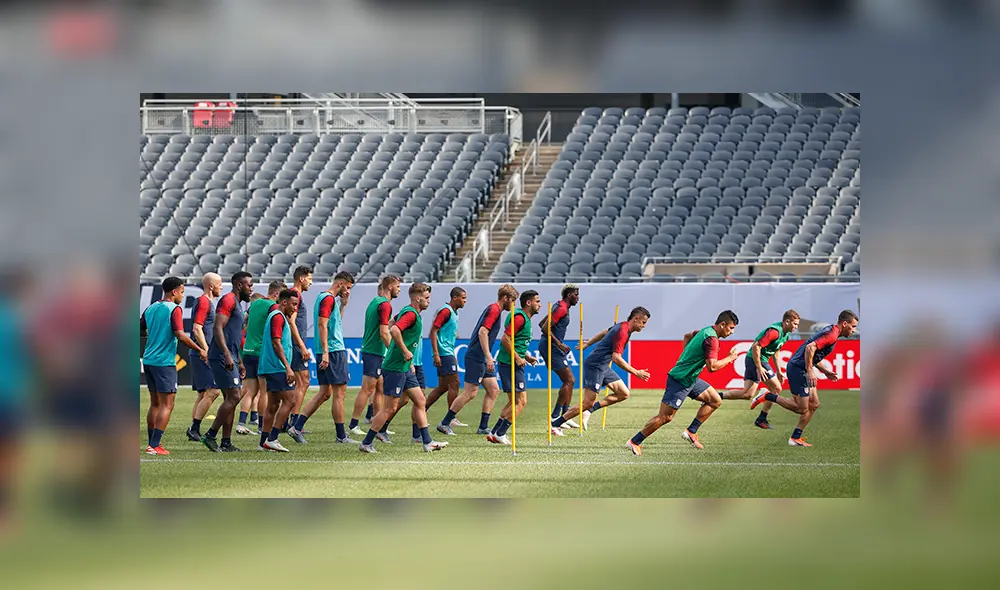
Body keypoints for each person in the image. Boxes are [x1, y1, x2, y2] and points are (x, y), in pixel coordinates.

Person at [626, 310, 741, 455]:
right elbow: (712, 367)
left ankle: (691, 431)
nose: (732, 332)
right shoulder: (712, 340)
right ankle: (634, 442)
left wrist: (687, 356)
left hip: (690, 378)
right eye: (731, 328)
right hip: (680, 380)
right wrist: (730, 358)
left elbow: (687, 336)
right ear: (722, 324)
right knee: (665, 417)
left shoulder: (705, 331)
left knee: (715, 400)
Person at [359, 283, 447, 453]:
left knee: (420, 400)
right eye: (427, 298)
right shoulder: (411, 314)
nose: (429, 301)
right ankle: (367, 442)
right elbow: (394, 329)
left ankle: (427, 442)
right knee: (389, 408)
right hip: (395, 367)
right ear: (418, 298)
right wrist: (405, 351)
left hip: (405, 367)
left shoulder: (409, 312)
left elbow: (392, 322)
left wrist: (409, 361)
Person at [751, 309, 859, 446]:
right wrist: (810, 370)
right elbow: (810, 348)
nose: (854, 330)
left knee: (814, 404)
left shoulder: (832, 331)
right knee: (801, 408)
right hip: (798, 369)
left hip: (802, 368)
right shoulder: (832, 334)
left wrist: (825, 371)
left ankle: (795, 438)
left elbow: (814, 355)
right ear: (844, 324)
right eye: (853, 326)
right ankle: (767, 395)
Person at [550, 306, 651, 433]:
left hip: (603, 366)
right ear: (636, 319)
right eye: (643, 322)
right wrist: (636, 372)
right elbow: (616, 358)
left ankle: (589, 411)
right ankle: (555, 424)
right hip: (595, 365)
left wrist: (588, 343)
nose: (644, 326)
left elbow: (605, 332)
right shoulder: (622, 332)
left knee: (623, 393)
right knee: (587, 402)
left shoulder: (622, 325)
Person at [437, 284, 518, 436]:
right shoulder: (494, 309)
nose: (513, 305)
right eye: (513, 301)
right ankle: (445, 423)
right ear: (505, 298)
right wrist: (488, 356)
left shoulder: (495, 310)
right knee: (470, 393)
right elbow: (482, 332)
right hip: (477, 356)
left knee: (493, 390)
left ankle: (483, 427)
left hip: (481, 357)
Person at [141, 277, 207, 455]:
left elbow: (140, 328)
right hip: (164, 362)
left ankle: (152, 443)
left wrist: (155, 336)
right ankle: (154, 445)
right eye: (182, 292)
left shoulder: (151, 307)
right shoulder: (174, 309)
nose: (183, 296)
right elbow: (180, 334)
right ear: (174, 291)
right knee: (167, 404)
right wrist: (200, 349)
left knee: (155, 404)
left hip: (148, 360)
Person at [290, 272, 356, 444]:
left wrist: (344, 305)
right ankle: (341, 436)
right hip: (333, 350)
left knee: (325, 393)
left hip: (327, 350)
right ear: (340, 284)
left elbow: (334, 323)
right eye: (348, 288)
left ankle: (296, 427)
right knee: (339, 393)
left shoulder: (325, 298)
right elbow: (322, 324)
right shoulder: (328, 299)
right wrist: (326, 352)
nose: (348, 291)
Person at [719, 309, 800, 429]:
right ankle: (762, 416)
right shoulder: (774, 332)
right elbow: (756, 347)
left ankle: (715, 396)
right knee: (776, 388)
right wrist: (759, 367)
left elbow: (776, 350)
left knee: (747, 394)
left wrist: (778, 371)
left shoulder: (786, 334)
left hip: (756, 360)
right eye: (795, 324)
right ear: (787, 322)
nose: (796, 327)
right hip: (756, 360)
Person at [201, 271, 254, 452]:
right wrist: (226, 354)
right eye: (249, 285)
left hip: (230, 355)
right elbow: (217, 328)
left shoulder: (237, 303)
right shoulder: (228, 300)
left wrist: (239, 360)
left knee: (230, 398)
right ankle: (210, 435)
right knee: (235, 396)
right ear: (239, 285)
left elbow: (233, 336)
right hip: (221, 356)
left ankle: (226, 442)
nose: (251, 288)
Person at [487, 290, 542, 445]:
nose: (540, 305)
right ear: (528, 303)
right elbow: (505, 339)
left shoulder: (523, 318)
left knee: (513, 402)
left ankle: (494, 433)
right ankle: (501, 433)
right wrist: (518, 358)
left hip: (509, 362)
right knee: (521, 401)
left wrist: (526, 356)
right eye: (537, 301)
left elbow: (515, 342)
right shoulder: (519, 318)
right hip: (510, 364)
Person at [348, 275, 401, 436]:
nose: (399, 290)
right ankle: (353, 425)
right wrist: (394, 352)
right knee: (367, 388)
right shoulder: (384, 305)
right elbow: (384, 333)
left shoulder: (375, 302)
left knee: (380, 388)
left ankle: (379, 425)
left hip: (374, 350)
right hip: (374, 351)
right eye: (398, 287)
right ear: (390, 287)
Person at [236, 281, 284, 435]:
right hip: (261, 352)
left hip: (248, 350)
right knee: (264, 392)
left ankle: (241, 423)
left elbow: (244, 320)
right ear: (276, 294)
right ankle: (262, 426)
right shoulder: (273, 307)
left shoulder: (255, 304)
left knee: (249, 391)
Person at [256, 290, 299, 452]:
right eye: (293, 304)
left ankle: (263, 443)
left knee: (273, 405)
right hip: (277, 367)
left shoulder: (276, 316)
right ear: (284, 302)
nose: (295, 308)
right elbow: (276, 343)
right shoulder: (278, 317)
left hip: (270, 366)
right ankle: (272, 438)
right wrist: (287, 367)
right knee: (290, 401)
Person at [539, 284, 581, 431]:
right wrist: (559, 344)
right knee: (569, 380)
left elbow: (541, 323)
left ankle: (564, 416)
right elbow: (545, 328)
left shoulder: (561, 306)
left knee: (569, 381)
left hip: (552, 346)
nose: (578, 297)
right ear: (569, 295)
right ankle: (556, 417)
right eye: (576, 294)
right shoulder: (561, 308)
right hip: (551, 346)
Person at [186, 273, 222, 441]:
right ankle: (194, 428)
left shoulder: (206, 302)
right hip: (202, 353)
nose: (221, 287)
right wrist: (206, 350)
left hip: (198, 352)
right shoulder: (204, 302)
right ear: (211, 286)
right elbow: (197, 328)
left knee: (202, 394)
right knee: (214, 391)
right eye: (220, 284)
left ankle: (193, 430)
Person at [424, 287, 467, 426]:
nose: (465, 301)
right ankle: (451, 417)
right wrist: (436, 353)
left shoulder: (454, 313)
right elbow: (433, 331)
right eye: (463, 298)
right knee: (455, 383)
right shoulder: (445, 311)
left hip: (448, 352)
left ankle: (421, 410)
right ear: (455, 298)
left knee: (443, 387)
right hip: (443, 353)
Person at [287, 266, 314, 432]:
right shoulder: (295, 295)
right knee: (303, 382)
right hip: (296, 344)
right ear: (301, 278)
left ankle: (287, 420)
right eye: (309, 279)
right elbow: (291, 321)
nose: (311, 282)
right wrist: (302, 346)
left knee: (297, 382)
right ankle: (294, 422)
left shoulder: (293, 294)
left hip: (294, 344)